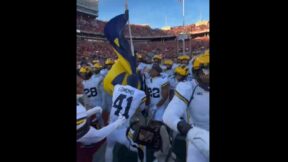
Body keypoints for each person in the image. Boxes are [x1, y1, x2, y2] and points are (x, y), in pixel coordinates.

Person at [163, 52, 210, 162]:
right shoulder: (188, 88)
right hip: (198, 140)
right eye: (206, 71)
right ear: (197, 73)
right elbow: (168, 115)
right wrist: (184, 127)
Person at [105, 74, 147, 162]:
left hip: (110, 127)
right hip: (123, 130)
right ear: (137, 83)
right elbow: (141, 108)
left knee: (109, 148)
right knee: (142, 147)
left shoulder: (117, 87)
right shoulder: (140, 93)